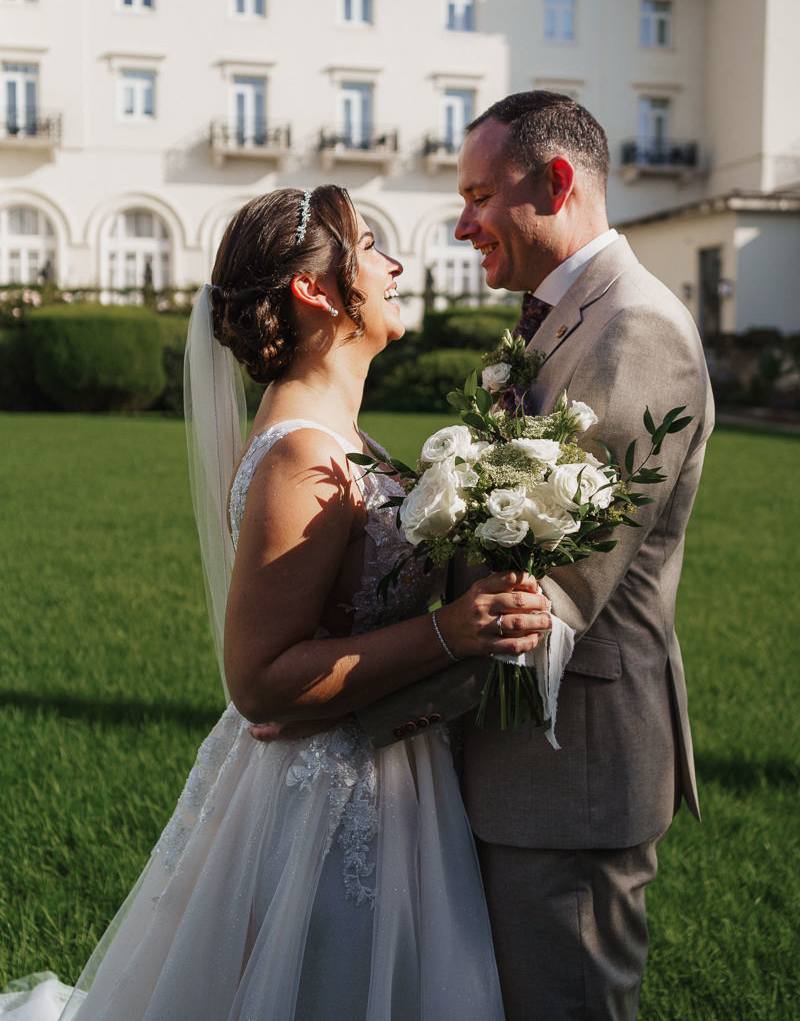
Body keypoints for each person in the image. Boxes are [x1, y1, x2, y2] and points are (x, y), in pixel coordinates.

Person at [0, 184, 553, 1021]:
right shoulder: (301, 455)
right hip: (325, 802)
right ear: (315, 290)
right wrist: (450, 632)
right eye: (370, 248)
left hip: (393, 772)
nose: (395, 264)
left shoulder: (341, 436)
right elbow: (258, 681)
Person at [357, 93, 715, 1021]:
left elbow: (550, 594)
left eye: (479, 194)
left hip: (573, 770)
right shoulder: (558, 316)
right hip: (519, 760)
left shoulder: (634, 327)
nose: (462, 220)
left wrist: (355, 705)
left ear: (555, 182)